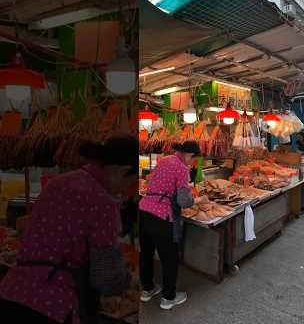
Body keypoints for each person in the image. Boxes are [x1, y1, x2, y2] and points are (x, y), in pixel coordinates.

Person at [0, 136, 137, 324]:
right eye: (130, 183)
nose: (125, 190)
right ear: (123, 171)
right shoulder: (102, 201)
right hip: (52, 305)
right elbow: (106, 278)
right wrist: (126, 281)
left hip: (11, 291)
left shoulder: (58, 183)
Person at [139, 141, 206, 310]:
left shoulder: (165, 160)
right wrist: (199, 199)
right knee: (170, 258)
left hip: (144, 210)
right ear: (189, 155)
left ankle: (147, 290)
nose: (192, 162)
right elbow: (184, 201)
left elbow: (150, 180)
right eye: (193, 159)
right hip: (162, 216)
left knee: (146, 254)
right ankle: (168, 298)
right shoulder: (182, 168)